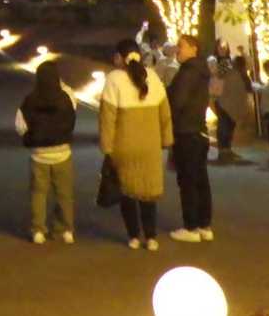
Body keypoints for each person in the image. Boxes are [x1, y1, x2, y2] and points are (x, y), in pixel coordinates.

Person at [100, 38, 173, 250]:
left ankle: (133, 236)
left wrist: (106, 147)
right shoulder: (152, 76)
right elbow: (165, 113)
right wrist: (167, 139)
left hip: (124, 145)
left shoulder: (114, 79)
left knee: (127, 191)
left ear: (119, 58)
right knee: (148, 192)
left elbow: (107, 118)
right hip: (151, 145)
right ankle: (151, 237)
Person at [15, 60, 77, 245]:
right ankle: (65, 230)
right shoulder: (66, 98)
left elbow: (20, 126)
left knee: (38, 193)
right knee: (64, 194)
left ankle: (38, 230)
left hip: (39, 155)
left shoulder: (30, 100)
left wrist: (30, 136)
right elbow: (72, 115)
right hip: (62, 153)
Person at [166, 33, 213, 243]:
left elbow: (177, 101)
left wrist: (169, 118)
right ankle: (204, 225)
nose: (178, 49)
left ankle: (191, 227)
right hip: (198, 130)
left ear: (194, 48)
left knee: (187, 180)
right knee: (200, 179)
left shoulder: (188, 71)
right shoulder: (201, 71)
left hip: (186, 131)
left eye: (182, 46)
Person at [215, 48, 253, 163]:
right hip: (225, 103)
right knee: (225, 127)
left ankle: (226, 150)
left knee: (227, 126)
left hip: (224, 103)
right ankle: (224, 151)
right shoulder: (230, 71)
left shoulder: (234, 72)